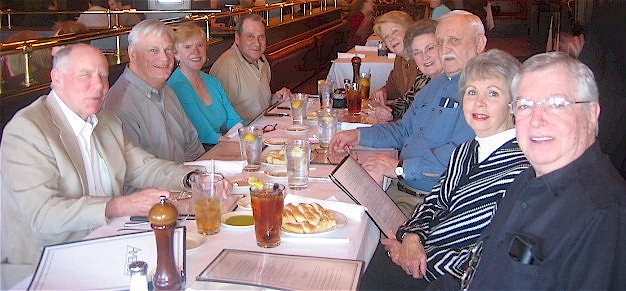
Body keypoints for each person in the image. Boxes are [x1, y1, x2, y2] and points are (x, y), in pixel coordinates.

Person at [0, 44, 200, 289]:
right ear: (57, 79)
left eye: (103, 76)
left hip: (107, 248)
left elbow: (144, 167)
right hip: (46, 265)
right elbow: (43, 216)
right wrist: (117, 206)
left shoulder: (105, 121)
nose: (99, 85)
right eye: (85, 75)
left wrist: (195, 178)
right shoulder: (27, 130)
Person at [448, 52, 626, 290]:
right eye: (525, 105)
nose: (536, 120)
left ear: (592, 114)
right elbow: (480, 267)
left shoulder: (605, 216)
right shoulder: (527, 179)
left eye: (556, 104)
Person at [360, 49, 529, 290]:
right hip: (423, 255)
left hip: (447, 280)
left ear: (513, 103)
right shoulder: (467, 150)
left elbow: (490, 257)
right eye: (471, 92)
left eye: (493, 93)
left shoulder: (520, 169)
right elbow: (433, 202)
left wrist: (417, 258)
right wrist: (411, 238)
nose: (479, 103)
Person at [330, 10, 487, 215]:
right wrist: (357, 134)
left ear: (479, 43)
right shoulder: (437, 83)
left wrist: (399, 167)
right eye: (440, 41)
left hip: (430, 205)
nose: (445, 48)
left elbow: (460, 157)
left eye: (454, 40)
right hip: (400, 189)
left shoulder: (484, 93)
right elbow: (403, 130)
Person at [105, 19, 205, 164]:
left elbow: (193, 146)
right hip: (159, 185)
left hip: (187, 178)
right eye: (153, 50)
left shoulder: (167, 89)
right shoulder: (120, 105)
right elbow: (135, 176)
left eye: (168, 49)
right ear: (132, 54)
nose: (164, 58)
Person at [168, 23, 244, 148]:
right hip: (198, 152)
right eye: (187, 47)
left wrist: (246, 135)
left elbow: (234, 120)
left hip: (220, 144)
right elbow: (205, 133)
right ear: (176, 54)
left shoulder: (212, 82)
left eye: (200, 45)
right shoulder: (177, 86)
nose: (196, 52)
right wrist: (235, 144)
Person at [209, 13, 292, 124]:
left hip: (267, 126)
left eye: (261, 37)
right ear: (237, 38)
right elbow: (220, 118)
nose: (257, 43)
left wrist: (277, 99)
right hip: (244, 136)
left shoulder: (261, 59)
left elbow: (258, 104)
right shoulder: (227, 67)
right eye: (250, 36)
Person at [374, 19, 443, 122]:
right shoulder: (423, 78)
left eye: (430, 48)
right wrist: (386, 111)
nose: (424, 57)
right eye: (417, 52)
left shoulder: (457, 83)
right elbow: (406, 102)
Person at [369, 11, 419, 117]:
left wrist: (391, 111)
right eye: (386, 37)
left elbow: (416, 101)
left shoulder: (423, 59)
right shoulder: (400, 59)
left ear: (410, 30)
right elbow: (394, 87)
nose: (391, 39)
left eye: (395, 31)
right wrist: (383, 92)